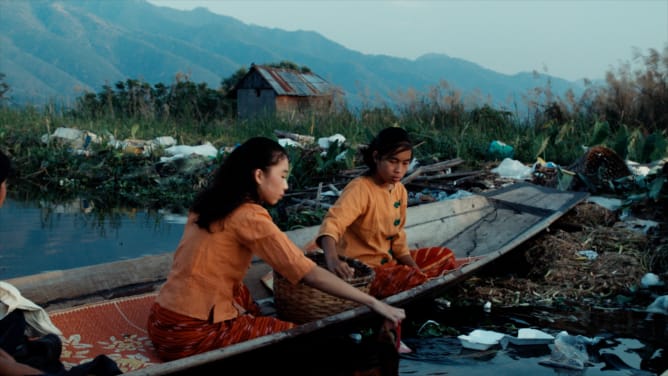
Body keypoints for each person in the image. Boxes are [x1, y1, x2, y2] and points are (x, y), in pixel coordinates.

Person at [146, 136, 405, 361]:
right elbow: (308, 272)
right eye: (282, 176)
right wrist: (373, 303)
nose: (286, 186)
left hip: (160, 321)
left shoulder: (207, 205)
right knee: (293, 338)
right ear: (259, 175)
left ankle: (246, 322)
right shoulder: (249, 216)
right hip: (187, 334)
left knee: (244, 295)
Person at [314, 127, 456, 298]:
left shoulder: (399, 191)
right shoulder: (360, 189)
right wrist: (332, 260)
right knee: (411, 280)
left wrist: (415, 269)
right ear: (376, 157)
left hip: (389, 264)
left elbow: (398, 240)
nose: (399, 170)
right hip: (363, 271)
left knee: (445, 256)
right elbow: (332, 224)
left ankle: (410, 279)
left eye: (405, 163)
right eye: (393, 161)